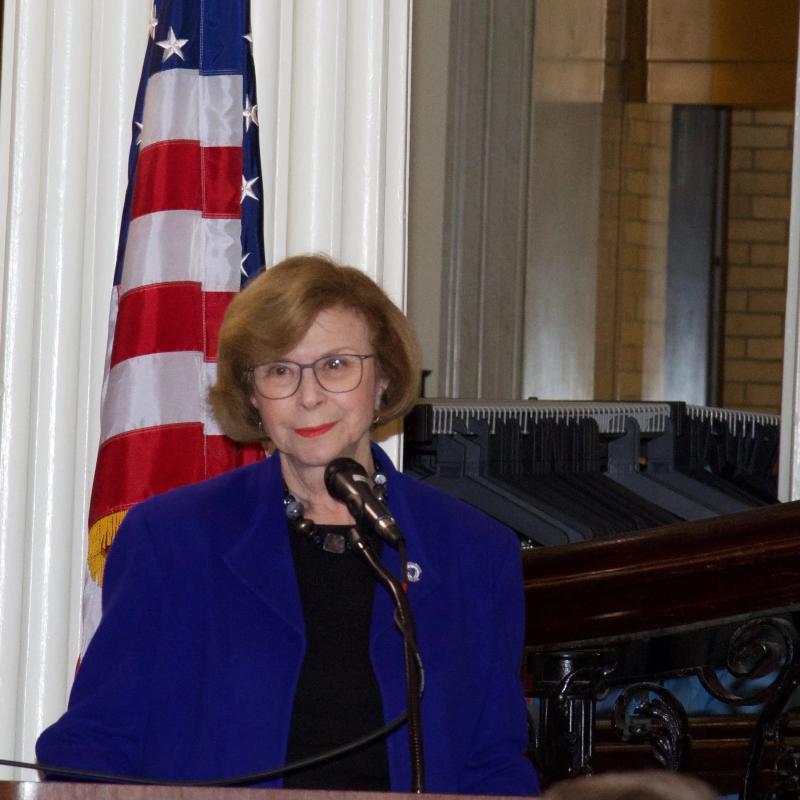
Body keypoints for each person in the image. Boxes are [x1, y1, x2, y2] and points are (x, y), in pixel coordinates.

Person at [36, 254, 539, 795]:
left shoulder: (472, 550)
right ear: (253, 396)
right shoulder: (173, 539)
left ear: (384, 379)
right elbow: (95, 743)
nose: (309, 394)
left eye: (337, 365)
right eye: (280, 370)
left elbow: (495, 761)